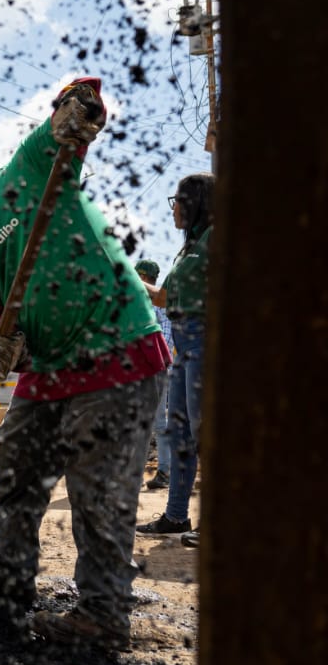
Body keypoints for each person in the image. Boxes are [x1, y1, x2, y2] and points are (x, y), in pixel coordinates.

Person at [0, 77, 170, 650]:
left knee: (97, 490)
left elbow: (85, 99)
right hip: (50, 368)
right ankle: (7, 592)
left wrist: (77, 109)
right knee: (16, 468)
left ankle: (101, 616)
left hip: (117, 350)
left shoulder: (27, 172)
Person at [137, 174, 214, 542]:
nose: (173, 209)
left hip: (206, 344)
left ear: (198, 201)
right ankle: (176, 516)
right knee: (181, 435)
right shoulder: (189, 248)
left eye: (178, 200)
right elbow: (165, 298)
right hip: (184, 350)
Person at [134, 259, 174, 490]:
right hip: (139, 372)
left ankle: (164, 472)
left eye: (143, 277)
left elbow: (166, 340)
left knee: (155, 424)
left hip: (156, 371)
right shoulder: (136, 304)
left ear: (150, 279)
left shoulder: (160, 305)